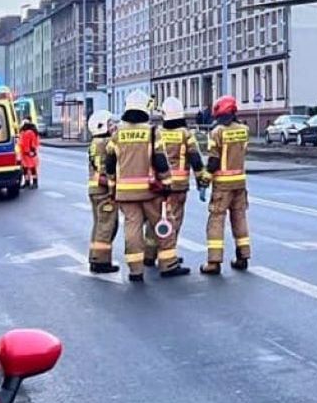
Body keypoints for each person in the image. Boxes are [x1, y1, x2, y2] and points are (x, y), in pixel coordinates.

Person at [105, 90, 172, 283]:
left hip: (125, 192)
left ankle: (135, 270)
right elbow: (160, 160)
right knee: (161, 225)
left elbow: (109, 163)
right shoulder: (151, 131)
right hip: (150, 190)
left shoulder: (117, 133)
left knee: (131, 228)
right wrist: (167, 183)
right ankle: (168, 263)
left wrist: (112, 187)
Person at [199, 95, 251, 275]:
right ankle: (243, 257)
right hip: (239, 182)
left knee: (216, 221)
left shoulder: (217, 132)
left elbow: (213, 161)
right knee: (240, 219)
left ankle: (213, 262)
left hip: (222, 185)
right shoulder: (244, 130)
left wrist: (205, 180)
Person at [156, 96, 203, 277]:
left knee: (159, 219)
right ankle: (169, 256)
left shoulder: (159, 132)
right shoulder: (186, 134)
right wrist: (202, 181)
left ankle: (153, 254)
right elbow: (196, 159)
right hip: (179, 186)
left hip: (161, 184)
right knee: (174, 221)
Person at [86, 110, 119, 273]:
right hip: (104, 190)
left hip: (94, 189)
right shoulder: (105, 143)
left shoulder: (95, 142)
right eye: (110, 124)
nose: (114, 127)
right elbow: (106, 169)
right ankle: (101, 261)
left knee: (99, 225)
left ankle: (94, 257)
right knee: (106, 226)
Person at [19, 119, 40, 189]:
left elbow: (31, 143)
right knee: (26, 168)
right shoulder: (26, 132)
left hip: (28, 153)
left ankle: (34, 182)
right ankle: (28, 182)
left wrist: (31, 151)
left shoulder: (29, 132)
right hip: (25, 153)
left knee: (31, 168)